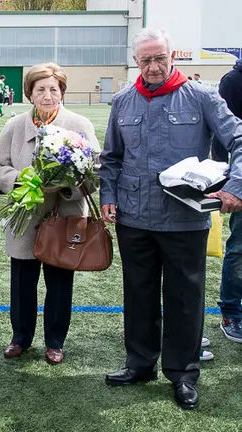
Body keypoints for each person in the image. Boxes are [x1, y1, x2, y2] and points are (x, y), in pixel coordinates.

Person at [99, 28, 242, 410]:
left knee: (184, 300)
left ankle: (183, 374)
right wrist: (109, 195)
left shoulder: (202, 97)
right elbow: (111, 157)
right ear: (136, 62)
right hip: (134, 218)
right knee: (139, 294)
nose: (153, 66)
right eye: (145, 59)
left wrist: (236, 187)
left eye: (159, 57)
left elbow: (238, 140)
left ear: (171, 55)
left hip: (185, 218)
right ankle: (140, 363)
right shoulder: (123, 101)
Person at [0, 63, 99, 365]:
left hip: (64, 218)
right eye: (41, 89)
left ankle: (55, 341)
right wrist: (23, 180)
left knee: (60, 284)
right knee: (22, 285)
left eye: (54, 89)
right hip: (25, 218)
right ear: (30, 94)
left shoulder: (79, 125)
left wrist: (64, 187)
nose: (48, 95)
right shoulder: (14, 127)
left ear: (62, 91)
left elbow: (94, 175)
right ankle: (20, 338)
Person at [212, 57, 242, 342]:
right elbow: (224, 137)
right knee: (240, 249)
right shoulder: (234, 81)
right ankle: (232, 312)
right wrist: (224, 181)